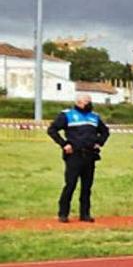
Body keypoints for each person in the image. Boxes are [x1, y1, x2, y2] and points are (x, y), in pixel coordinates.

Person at [47, 94, 110, 223]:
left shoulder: (94, 117)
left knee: (87, 186)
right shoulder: (67, 115)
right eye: (87, 102)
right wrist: (64, 144)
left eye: (90, 101)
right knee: (70, 185)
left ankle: (85, 214)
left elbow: (105, 132)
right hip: (74, 155)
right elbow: (52, 130)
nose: (89, 104)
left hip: (90, 155)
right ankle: (63, 214)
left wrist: (99, 142)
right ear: (79, 102)